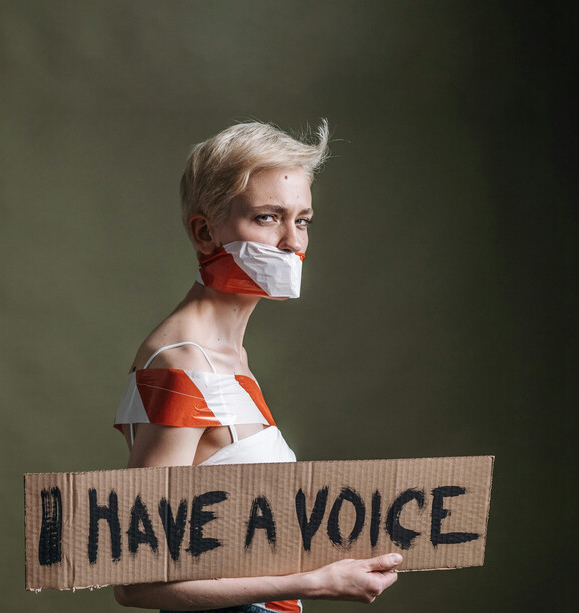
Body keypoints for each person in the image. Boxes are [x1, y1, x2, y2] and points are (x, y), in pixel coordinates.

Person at [112, 120, 401, 613]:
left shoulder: (228, 357)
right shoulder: (183, 364)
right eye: (268, 218)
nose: (293, 242)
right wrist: (315, 582)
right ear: (205, 232)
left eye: (303, 220)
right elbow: (136, 583)